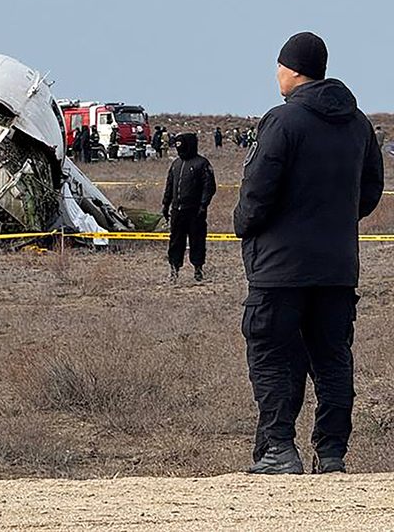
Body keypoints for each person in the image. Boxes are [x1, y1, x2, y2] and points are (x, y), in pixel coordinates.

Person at [233, 32, 383, 475]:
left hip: (280, 270)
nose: (276, 73)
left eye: (279, 65)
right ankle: (332, 454)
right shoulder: (358, 124)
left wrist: (245, 225)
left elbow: (258, 191)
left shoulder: (283, 122)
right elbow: (370, 190)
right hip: (337, 268)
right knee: (333, 359)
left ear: (293, 69)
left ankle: (279, 450)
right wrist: (334, 223)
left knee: (274, 357)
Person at [161, 133, 216, 282]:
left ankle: (198, 269)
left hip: (195, 212)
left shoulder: (202, 163)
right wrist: (165, 205)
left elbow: (209, 187)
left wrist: (203, 205)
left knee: (197, 240)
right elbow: (169, 186)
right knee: (175, 241)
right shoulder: (176, 164)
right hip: (177, 211)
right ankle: (174, 269)